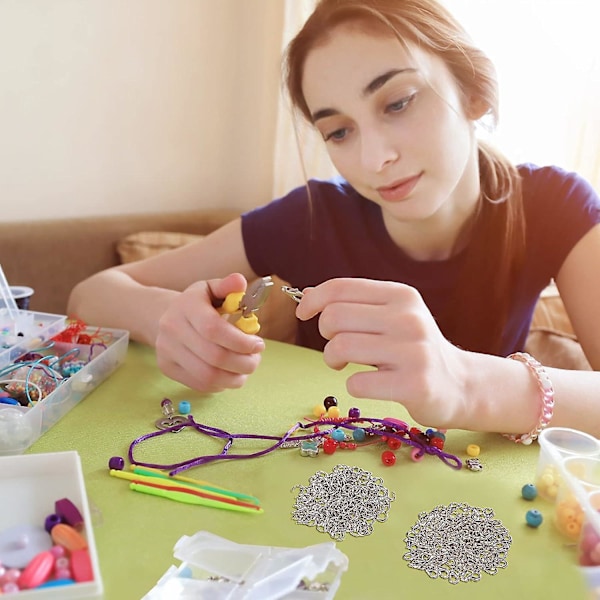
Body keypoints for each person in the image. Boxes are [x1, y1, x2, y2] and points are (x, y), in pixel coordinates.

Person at [68, 0, 600, 440]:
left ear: (475, 91)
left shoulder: (553, 205)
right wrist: (169, 322)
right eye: (339, 132)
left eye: (398, 102)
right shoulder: (311, 217)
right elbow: (90, 296)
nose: (373, 161)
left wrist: (464, 383)